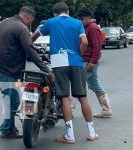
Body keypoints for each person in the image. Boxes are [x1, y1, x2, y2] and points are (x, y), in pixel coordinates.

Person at [32, 2, 99, 144]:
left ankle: (70, 135)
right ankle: (92, 132)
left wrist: (29, 46)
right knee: (83, 97)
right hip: (75, 61)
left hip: (58, 62)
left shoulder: (50, 22)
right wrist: (78, 54)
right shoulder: (77, 23)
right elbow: (85, 42)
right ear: (67, 11)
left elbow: (35, 35)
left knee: (64, 97)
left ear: (54, 13)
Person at [0, 6, 50, 139]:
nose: (30, 22)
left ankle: (10, 126)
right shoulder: (22, 28)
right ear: (29, 17)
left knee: (11, 96)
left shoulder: (6, 22)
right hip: (3, 68)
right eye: (31, 20)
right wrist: (46, 70)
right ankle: (7, 130)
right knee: (13, 98)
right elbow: (30, 50)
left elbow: (14, 44)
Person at [78, 8, 112, 118]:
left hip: (89, 61)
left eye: (82, 19)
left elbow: (97, 47)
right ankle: (106, 110)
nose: (80, 21)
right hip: (86, 60)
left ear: (88, 18)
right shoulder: (86, 27)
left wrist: (92, 63)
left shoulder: (93, 28)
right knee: (94, 84)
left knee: (77, 82)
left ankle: (68, 107)